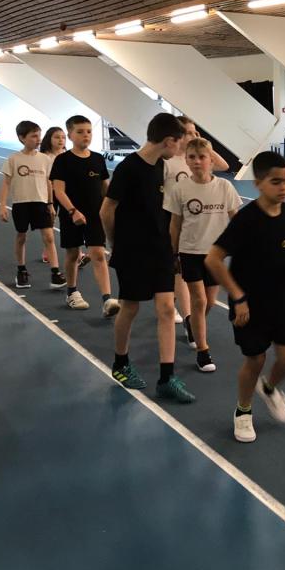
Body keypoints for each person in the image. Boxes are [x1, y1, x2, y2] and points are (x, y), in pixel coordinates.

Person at [206, 151, 285, 441]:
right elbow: (213, 259)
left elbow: (280, 242)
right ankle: (243, 411)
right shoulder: (246, 220)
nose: (284, 187)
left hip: (281, 299)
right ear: (258, 184)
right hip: (249, 304)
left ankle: (268, 388)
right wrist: (238, 297)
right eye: (275, 182)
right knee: (255, 360)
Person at [100, 113, 193, 403]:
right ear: (168, 141)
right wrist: (115, 243)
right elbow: (106, 210)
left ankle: (167, 377)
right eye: (179, 142)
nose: (180, 148)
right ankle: (121, 363)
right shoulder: (129, 168)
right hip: (133, 250)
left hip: (160, 248)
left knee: (166, 308)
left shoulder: (161, 166)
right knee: (130, 308)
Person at [166, 137, 241, 372]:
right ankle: (203, 351)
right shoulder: (180, 189)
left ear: (211, 161)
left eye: (202, 157)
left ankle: (192, 323)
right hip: (190, 252)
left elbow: (236, 220)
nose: (197, 161)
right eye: (192, 157)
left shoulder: (224, 187)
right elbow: (175, 225)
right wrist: (173, 253)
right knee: (198, 301)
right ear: (186, 161)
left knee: (209, 302)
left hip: (215, 255)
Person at [164, 116, 229, 345]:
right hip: (175, 217)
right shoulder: (169, 161)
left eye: (195, 132)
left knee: (205, 297)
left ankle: (191, 318)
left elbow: (224, 166)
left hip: (202, 224)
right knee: (181, 275)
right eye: (188, 133)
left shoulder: (199, 158)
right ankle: (188, 318)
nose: (192, 136)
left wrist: (203, 143)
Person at [50, 115, 120, 316]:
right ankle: (72, 292)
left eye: (89, 131)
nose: (86, 135)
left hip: (95, 215)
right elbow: (58, 190)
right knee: (73, 254)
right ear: (70, 135)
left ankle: (107, 299)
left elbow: (105, 188)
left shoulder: (97, 159)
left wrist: (116, 206)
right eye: (80, 132)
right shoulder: (62, 160)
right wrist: (72, 211)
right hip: (71, 215)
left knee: (98, 253)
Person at [0, 120, 66, 291]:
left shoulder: (45, 159)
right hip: (21, 203)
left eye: (39, 136)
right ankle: (21, 270)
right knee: (21, 237)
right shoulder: (13, 159)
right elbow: (6, 183)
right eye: (34, 136)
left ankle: (55, 272)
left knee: (49, 237)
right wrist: (2, 205)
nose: (38, 139)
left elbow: (48, 182)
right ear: (22, 138)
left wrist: (50, 204)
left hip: (41, 203)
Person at [39, 126, 66, 266]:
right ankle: (47, 251)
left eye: (63, 137)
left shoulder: (67, 155)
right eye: (57, 137)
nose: (61, 140)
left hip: (65, 192)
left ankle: (78, 254)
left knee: (69, 220)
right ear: (49, 139)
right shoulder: (45, 157)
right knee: (50, 221)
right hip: (49, 193)